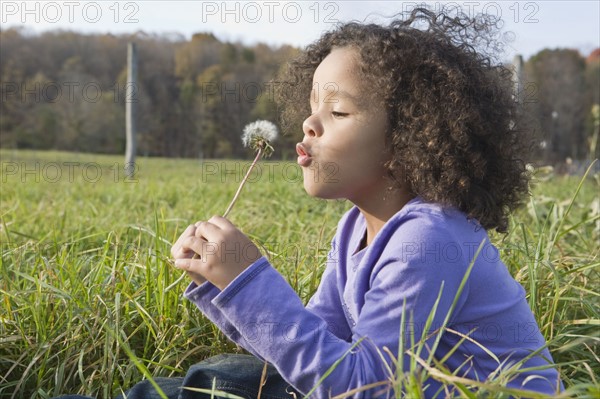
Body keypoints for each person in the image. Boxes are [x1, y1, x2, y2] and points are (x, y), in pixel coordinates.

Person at [57, 7, 563, 399]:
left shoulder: (428, 238)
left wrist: (248, 281)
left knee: (226, 382)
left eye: (338, 110)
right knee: (229, 377)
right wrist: (224, 287)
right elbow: (311, 349)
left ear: (408, 140)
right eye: (311, 106)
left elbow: (360, 388)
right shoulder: (355, 229)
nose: (309, 123)